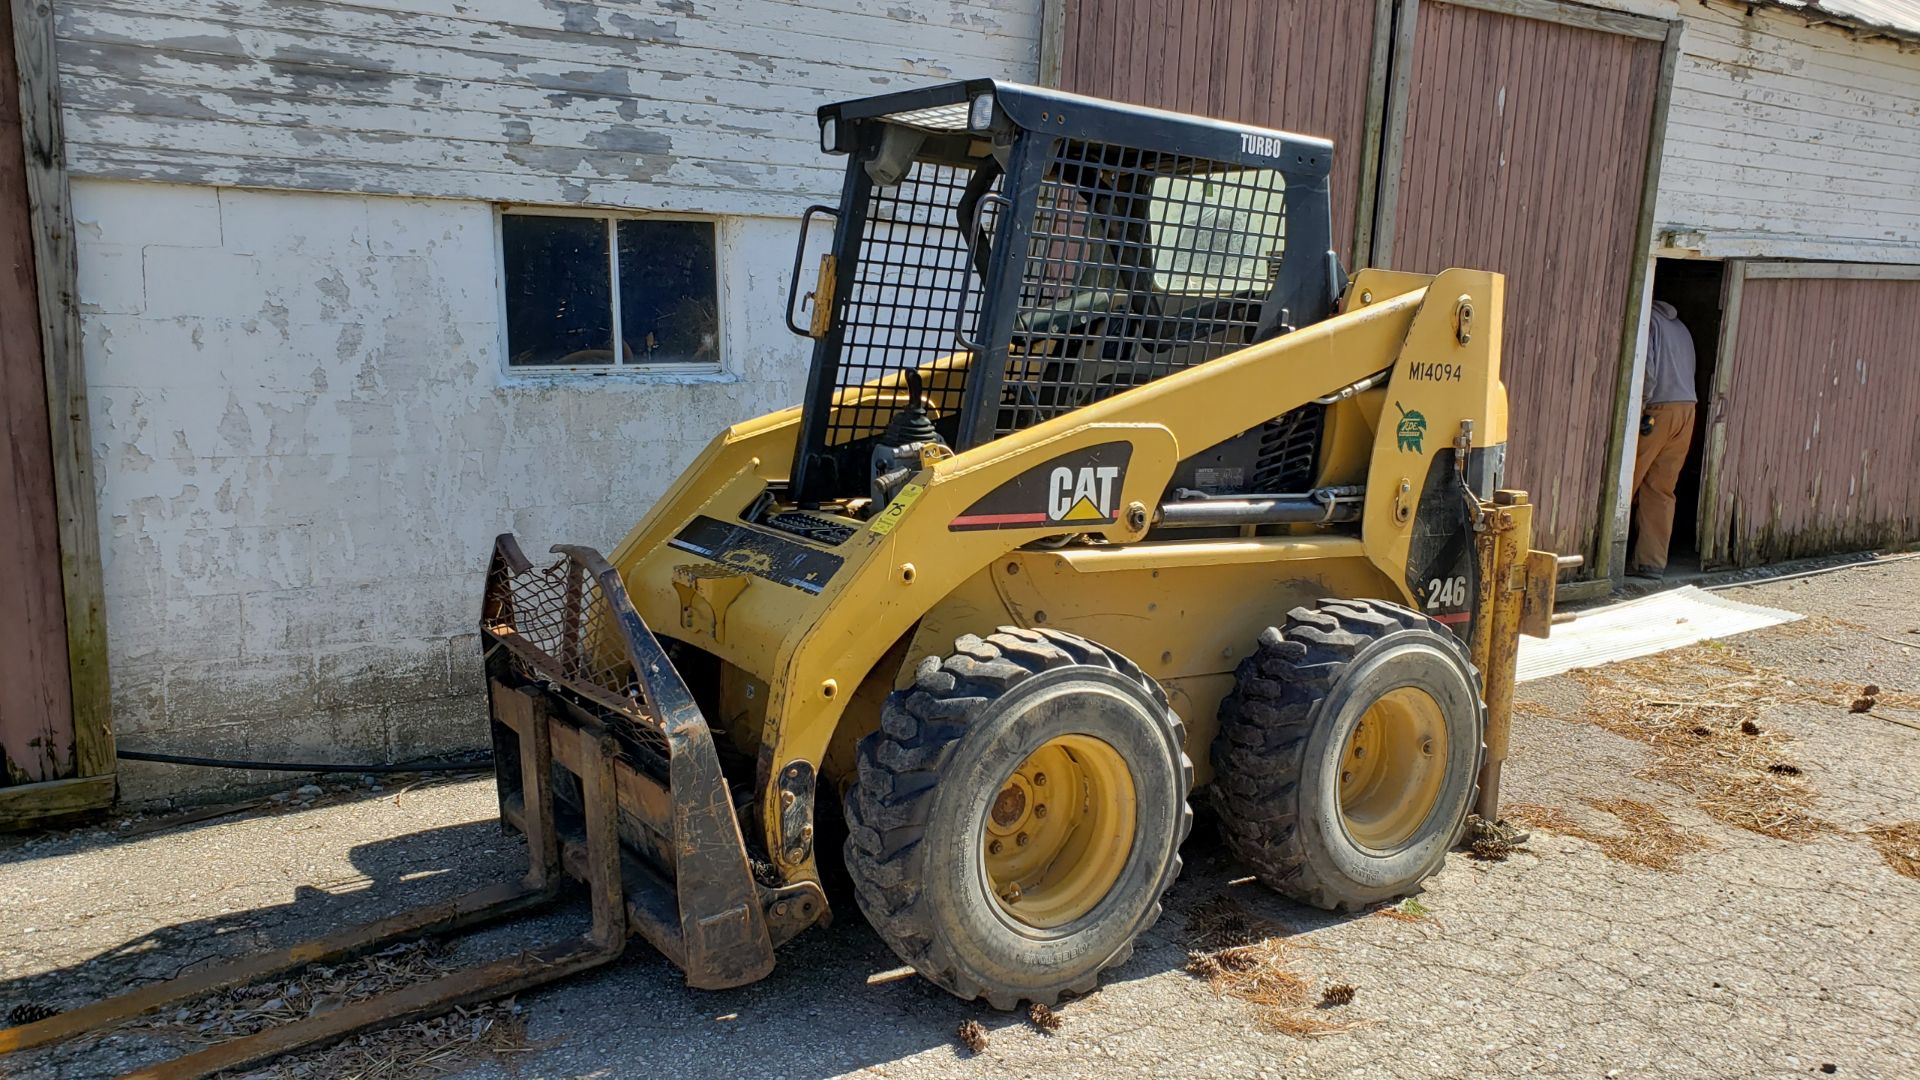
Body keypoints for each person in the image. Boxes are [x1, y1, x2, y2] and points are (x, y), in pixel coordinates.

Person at [1629, 300, 1697, 580]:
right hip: (1687, 410)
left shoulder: (1650, 323)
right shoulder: (1680, 328)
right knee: (1661, 488)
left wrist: (1640, 410)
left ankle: (1604, 557)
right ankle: (1651, 562)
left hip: (1658, 410)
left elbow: (1646, 371)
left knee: (1628, 481)